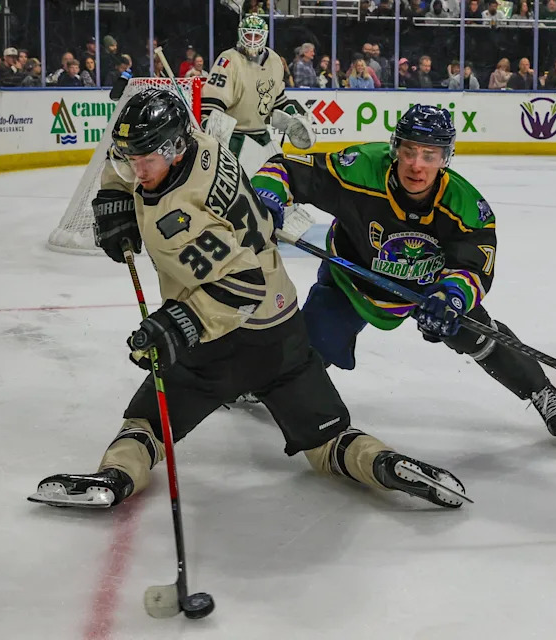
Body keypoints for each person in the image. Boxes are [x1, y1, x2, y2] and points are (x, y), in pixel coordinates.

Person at [28, 90, 468, 510]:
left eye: (147, 161)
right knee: (329, 441)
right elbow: (128, 156)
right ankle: (382, 464)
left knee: (146, 427)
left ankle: (117, 476)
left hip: (220, 342)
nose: (139, 171)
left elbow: (240, 286)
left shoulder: (177, 219)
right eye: (134, 161)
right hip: (284, 332)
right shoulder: (202, 141)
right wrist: (113, 193)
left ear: (175, 147)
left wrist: (177, 324)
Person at [251, 105, 556, 439]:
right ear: (395, 148)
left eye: (429, 155)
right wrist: (267, 195)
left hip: (426, 291)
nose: (417, 165)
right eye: (408, 152)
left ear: (445, 158)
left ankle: (539, 390)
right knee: (315, 343)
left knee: (476, 333)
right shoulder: (360, 168)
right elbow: (287, 169)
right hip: (353, 281)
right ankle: (263, 382)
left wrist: (450, 296)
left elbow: (474, 267)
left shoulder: (465, 206)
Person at [200, 15, 314, 172]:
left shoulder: (274, 60)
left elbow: (278, 99)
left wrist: (293, 116)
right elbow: (212, 102)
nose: (252, 40)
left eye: (257, 35)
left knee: (278, 174)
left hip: (261, 134)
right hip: (234, 136)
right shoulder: (228, 60)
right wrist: (208, 124)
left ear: (264, 37)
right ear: (241, 35)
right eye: (248, 35)